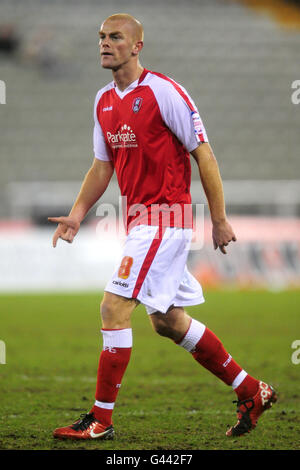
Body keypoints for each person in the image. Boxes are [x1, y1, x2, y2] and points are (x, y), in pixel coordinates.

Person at [49, 13, 277, 441]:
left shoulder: (163, 91)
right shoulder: (102, 100)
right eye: (101, 37)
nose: (104, 43)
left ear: (137, 46)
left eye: (115, 36)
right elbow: (102, 167)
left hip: (165, 218)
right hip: (140, 221)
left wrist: (220, 218)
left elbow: (203, 153)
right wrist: (77, 214)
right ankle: (252, 390)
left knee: (112, 308)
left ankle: (101, 420)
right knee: (168, 321)